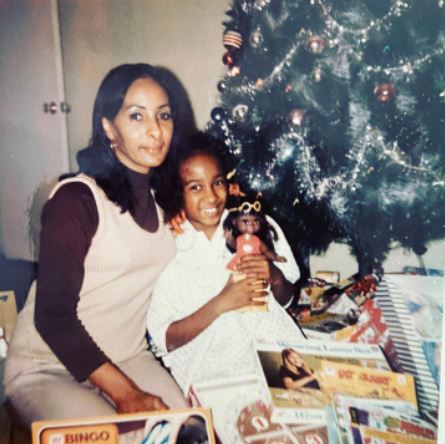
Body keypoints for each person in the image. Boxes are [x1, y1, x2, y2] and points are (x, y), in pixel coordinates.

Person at [3, 63, 188, 427]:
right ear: (108, 128)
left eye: (163, 115)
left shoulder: (165, 198)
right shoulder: (77, 199)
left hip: (128, 358)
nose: (154, 130)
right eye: (136, 115)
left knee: (189, 431)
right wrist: (125, 393)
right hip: (48, 367)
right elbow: (53, 316)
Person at [147, 132, 305, 392]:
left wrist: (274, 276)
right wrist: (222, 303)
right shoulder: (168, 248)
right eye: (195, 187)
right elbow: (165, 339)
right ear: (176, 191)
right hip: (213, 375)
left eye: (217, 182)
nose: (211, 196)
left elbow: (288, 300)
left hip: (279, 358)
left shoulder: (253, 224)